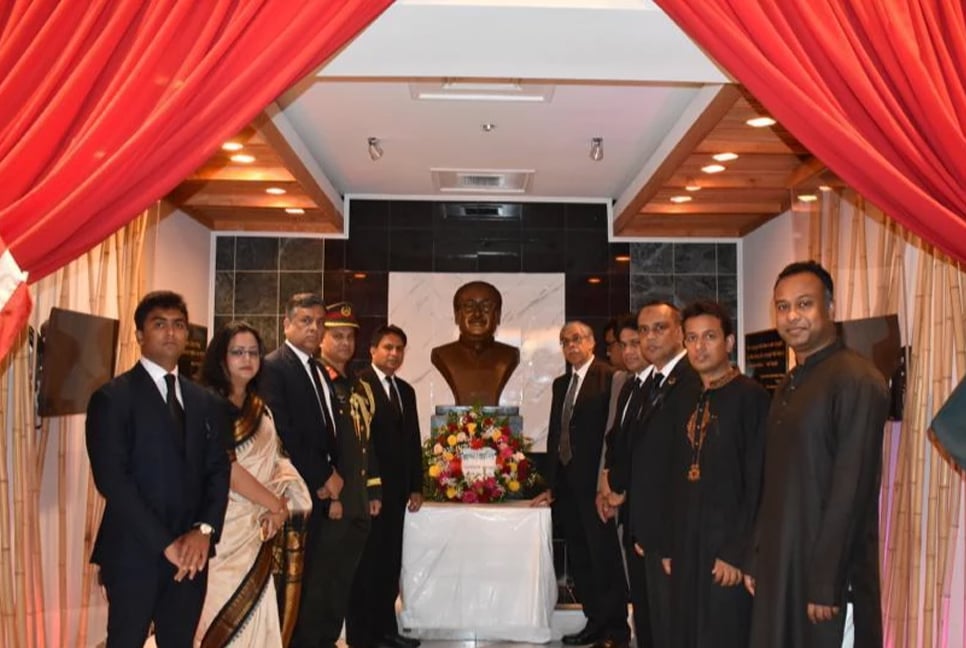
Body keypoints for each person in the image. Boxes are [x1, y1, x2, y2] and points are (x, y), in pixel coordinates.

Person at [745, 261, 889, 648]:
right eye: (782, 306)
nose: (792, 316)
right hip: (783, 565)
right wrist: (758, 553)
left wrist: (827, 580)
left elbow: (852, 488)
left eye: (804, 304)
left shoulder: (857, 380)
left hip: (827, 581)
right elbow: (773, 482)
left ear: (831, 308)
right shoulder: (791, 382)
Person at [86, 291, 231, 647]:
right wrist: (166, 544)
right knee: (126, 640)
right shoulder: (112, 398)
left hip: (192, 552)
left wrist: (204, 531)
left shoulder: (204, 401)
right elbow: (113, 481)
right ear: (139, 335)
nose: (171, 333)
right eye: (159, 324)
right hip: (134, 550)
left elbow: (218, 470)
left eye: (179, 325)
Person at [194, 321, 313, 647]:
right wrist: (275, 504)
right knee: (221, 613)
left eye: (253, 352)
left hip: (260, 526)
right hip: (223, 527)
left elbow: (277, 459)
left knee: (259, 614)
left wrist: (280, 505)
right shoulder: (207, 404)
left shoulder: (259, 408)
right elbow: (226, 469)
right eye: (237, 352)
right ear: (221, 358)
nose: (247, 359)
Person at [662, 301, 769, 648]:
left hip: (725, 547)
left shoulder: (752, 398)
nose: (699, 347)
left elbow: (759, 482)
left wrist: (738, 552)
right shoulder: (683, 395)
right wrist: (668, 544)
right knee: (684, 632)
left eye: (709, 337)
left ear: (730, 342)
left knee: (723, 633)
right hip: (686, 542)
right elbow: (671, 476)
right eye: (691, 338)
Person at [608, 301, 702, 648]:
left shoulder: (691, 380)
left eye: (659, 328)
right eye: (644, 330)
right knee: (649, 622)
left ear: (680, 331)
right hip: (645, 527)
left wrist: (667, 536)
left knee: (669, 626)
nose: (649, 338)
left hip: (670, 532)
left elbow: (684, 465)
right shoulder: (650, 383)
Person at [533, 321, 629, 648]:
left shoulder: (610, 377)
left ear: (591, 342)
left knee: (604, 557)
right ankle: (593, 621)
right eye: (565, 341)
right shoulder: (562, 383)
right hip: (568, 487)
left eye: (576, 339)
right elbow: (555, 433)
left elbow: (615, 434)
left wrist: (609, 478)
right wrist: (550, 484)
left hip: (596, 485)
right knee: (580, 557)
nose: (571, 346)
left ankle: (615, 629)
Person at [259, 293, 342, 648]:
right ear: (286, 324)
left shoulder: (316, 367)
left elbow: (327, 428)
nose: (314, 328)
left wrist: (331, 474)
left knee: (312, 579)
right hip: (293, 491)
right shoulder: (274, 367)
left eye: (320, 322)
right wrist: (323, 475)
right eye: (305, 320)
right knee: (289, 583)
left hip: (319, 489)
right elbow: (283, 430)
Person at [347, 325, 424, 648]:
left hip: (398, 494)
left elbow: (413, 441)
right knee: (367, 564)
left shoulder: (405, 390)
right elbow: (361, 443)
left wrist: (416, 486)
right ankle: (363, 636)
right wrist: (371, 489)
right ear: (373, 350)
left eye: (399, 349)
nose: (394, 354)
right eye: (388, 347)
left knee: (390, 562)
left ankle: (386, 630)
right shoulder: (359, 386)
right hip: (370, 493)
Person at [316, 301, 382, 648]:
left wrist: (372, 491)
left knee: (342, 583)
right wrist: (335, 496)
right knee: (321, 585)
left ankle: (328, 640)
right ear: (321, 339)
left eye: (349, 337)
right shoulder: (317, 382)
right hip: (333, 502)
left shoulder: (358, 387)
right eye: (336, 336)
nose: (344, 343)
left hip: (356, 502)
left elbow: (365, 445)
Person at [596, 316, 650, 644]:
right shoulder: (630, 384)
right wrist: (606, 482)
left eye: (635, 342)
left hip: (646, 507)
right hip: (625, 503)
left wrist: (619, 489)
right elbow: (616, 440)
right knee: (640, 596)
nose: (629, 351)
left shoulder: (667, 387)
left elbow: (646, 451)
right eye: (623, 344)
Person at [430, 280, 520, 405]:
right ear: (457, 315)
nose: (477, 314)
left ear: (498, 315)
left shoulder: (509, 355)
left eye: (486, 307)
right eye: (469, 307)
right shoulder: (442, 354)